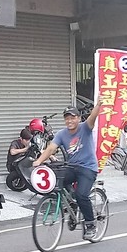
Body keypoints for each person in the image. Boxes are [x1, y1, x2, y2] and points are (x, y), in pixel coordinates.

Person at [32, 98, 103, 240]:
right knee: (57, 182)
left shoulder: (85, 127)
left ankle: (90, 224)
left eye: (73, 118)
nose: (69, 121)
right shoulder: (61, 134)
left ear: (78, 118)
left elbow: (92, 117)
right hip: (71, 167)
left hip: (88, 168)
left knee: (82, 195)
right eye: (67, 118)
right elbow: (51, 148)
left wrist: (99, 104)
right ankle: (73, 205)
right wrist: (39, 161)